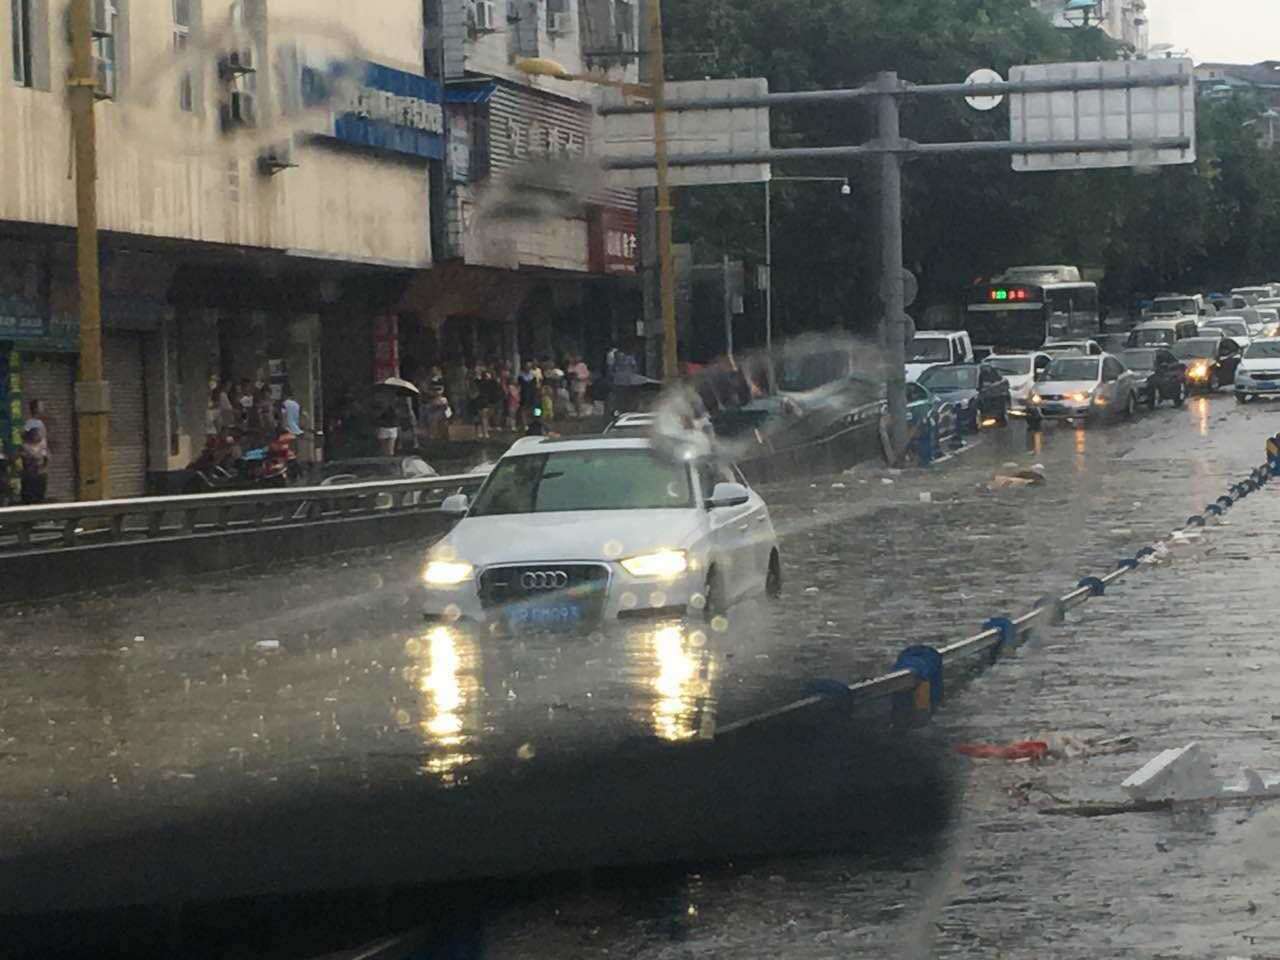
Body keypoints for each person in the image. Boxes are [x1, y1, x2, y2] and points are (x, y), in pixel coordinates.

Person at [19, 427, 48, 505]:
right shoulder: (25, 447)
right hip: (29, 475)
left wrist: (43, 467)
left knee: (39, 494)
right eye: (36, 434)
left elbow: (46, 458)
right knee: (29, 494)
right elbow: (24, 459)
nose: (38, 436)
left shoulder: (42, 447)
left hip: (40, 474)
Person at [517, 360, 540, 428]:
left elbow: (536, 385)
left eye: (529, 366)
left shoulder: (533, 375)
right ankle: (525, 424)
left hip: (533, 393)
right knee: (524, 409)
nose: (528, 368)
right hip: (524, 394)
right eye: (527, 366)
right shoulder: (521, 376)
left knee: (536, 408)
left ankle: (536, 421)